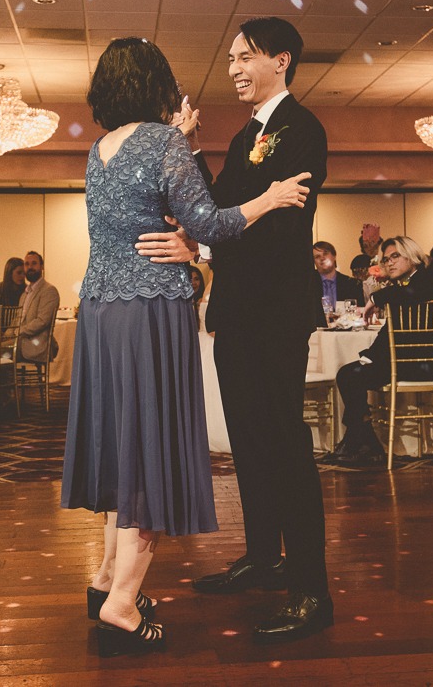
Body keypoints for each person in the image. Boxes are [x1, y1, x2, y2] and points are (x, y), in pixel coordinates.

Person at [60, 36, 311, 656]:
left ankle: (104, 581)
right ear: (158, 83)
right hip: (150, 311)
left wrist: (181, 142)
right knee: (152, 450)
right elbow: (210, 225)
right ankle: (122, 603)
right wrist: (271, 197)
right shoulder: (164, 143)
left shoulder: (100, 149)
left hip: (100, 310)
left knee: (123, 448)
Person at [136, 16, 332, 643]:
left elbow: (275, 229)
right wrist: (189, 150)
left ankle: (310, 589)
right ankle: (263, 556)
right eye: (231, 60)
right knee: (248, 439)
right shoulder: (249, 132)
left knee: (284, 442)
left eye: (245, 56)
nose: (234, 69)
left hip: (275, 309)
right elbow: (222, 203)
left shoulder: (302, 130)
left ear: (281, 59)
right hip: (240, 310)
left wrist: (206, 249)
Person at [324, 236, 433, 467]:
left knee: (350, 375)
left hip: (420, 363)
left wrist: (375, 298)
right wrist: (369, 355)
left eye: (395, 256)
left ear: (412, 255)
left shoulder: (426, 280)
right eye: (385, 259)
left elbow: (408, 295)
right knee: (349, 372)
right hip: (402, 359)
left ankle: (361, 440)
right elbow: (391, 329)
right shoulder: (403, 287)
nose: (389, 263)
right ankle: (364, 439)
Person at [3, 252, 59, 365]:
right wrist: (6, 334)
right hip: (20, 341)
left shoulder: (49, 290)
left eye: (34, 263)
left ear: (41, 266)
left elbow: (42, 321)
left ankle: (6, 382)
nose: (30, 267)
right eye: (27, 264)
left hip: (36, 344)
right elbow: (18, 319)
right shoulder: (25, 293)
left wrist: (17, 332)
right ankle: (8, 381)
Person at [313, 241, 362, 314]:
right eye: (317, 256)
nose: (322, 258)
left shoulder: (352, 284)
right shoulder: (308, 285)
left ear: (334, 256)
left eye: (325, 253)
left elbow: (360, 311)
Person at [0, 257, 25, 325]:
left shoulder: (27, 291)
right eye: (19, 273)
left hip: (20, 333)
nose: (22, 276)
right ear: (9, 273)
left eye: (24, 273)